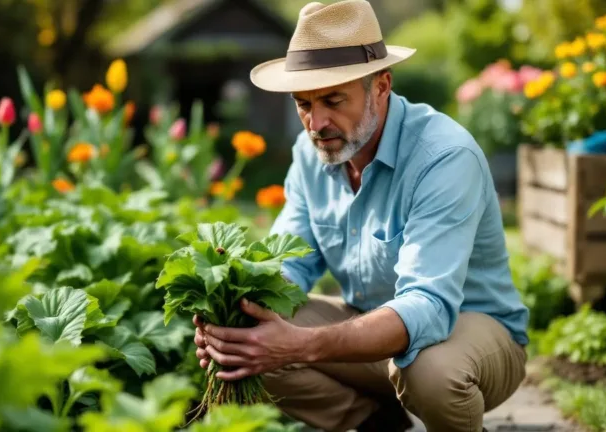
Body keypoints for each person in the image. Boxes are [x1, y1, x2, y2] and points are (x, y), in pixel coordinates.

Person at [192, 1, 530, 431]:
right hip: (369, 332)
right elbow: (286, 267)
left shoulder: (443, 157)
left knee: (431, 372)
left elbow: (426, 307)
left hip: (470, 334)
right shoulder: (311, 154)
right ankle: (377, 423)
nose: (317, 123)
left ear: (382, 86)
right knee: (246, 337)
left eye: (333, 100)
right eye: (303, 104)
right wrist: (228, 321)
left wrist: (301, 345)